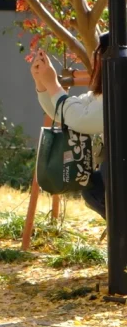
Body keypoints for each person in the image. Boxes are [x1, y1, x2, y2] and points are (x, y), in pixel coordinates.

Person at [28, 39, 106, 217]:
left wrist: (53, 85)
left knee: (97, 190)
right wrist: (42, 83)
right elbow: (66, 113)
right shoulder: (105, 92)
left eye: (97, 57)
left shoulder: (118, 91)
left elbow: (81, 119)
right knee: (94, 189)